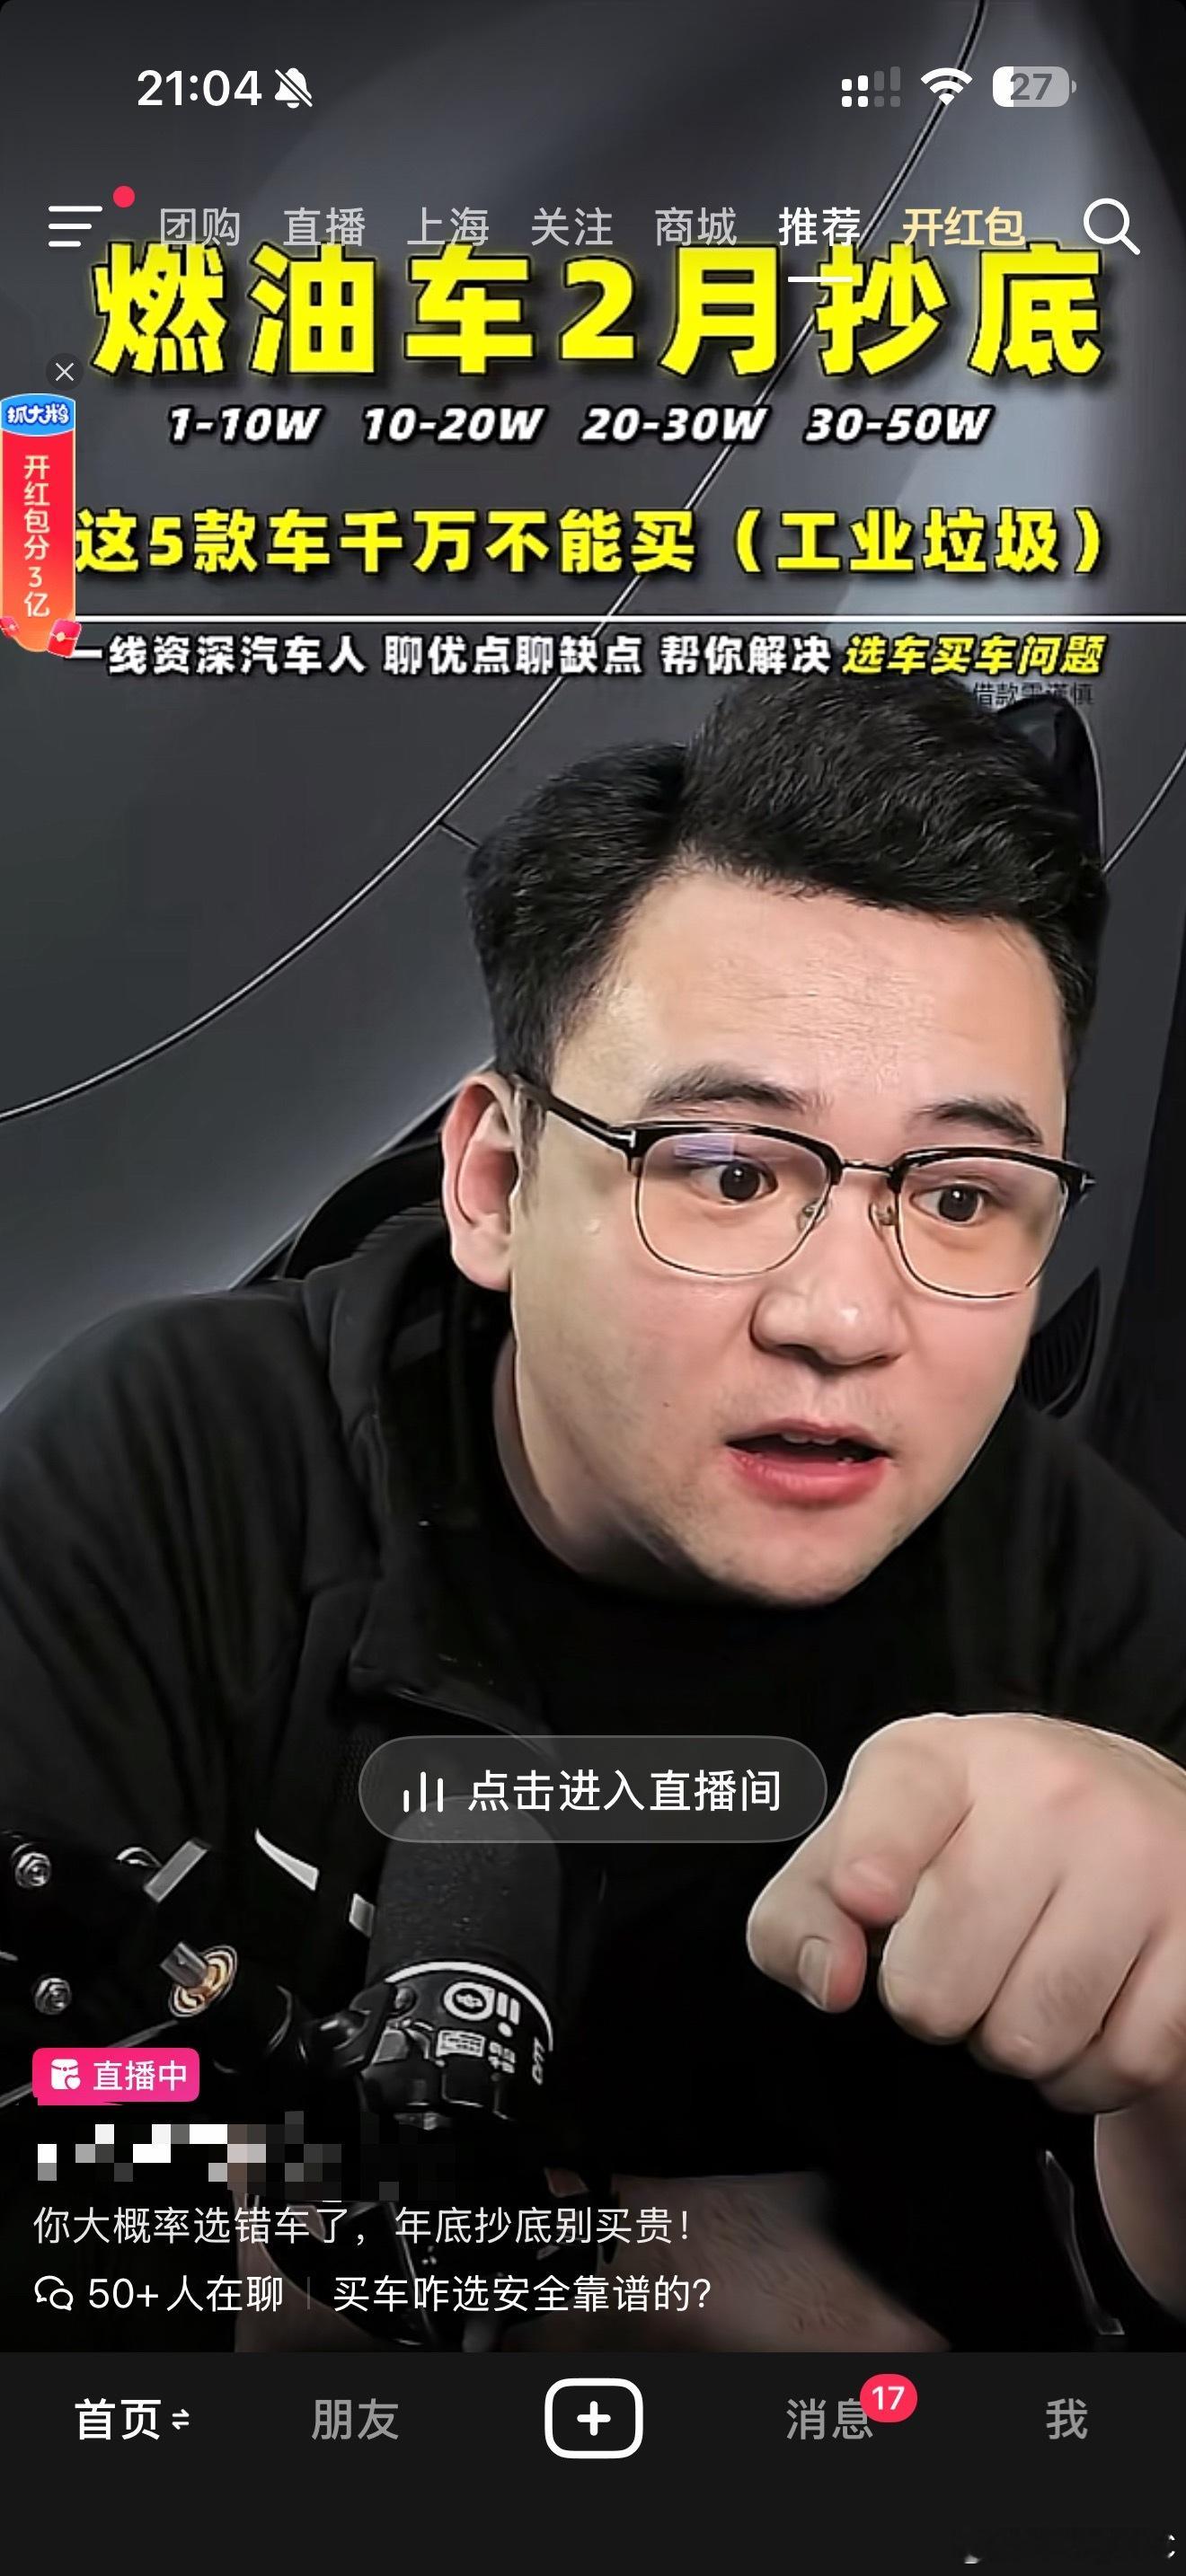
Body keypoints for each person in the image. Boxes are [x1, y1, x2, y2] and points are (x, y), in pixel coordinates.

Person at [2, 669, 1186, 2354]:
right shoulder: (165, 1476)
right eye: (731, 1171)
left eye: (961, 1196)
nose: (847, 1319)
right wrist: (660, 2265)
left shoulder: (1093, 1602)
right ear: (495, 1183)